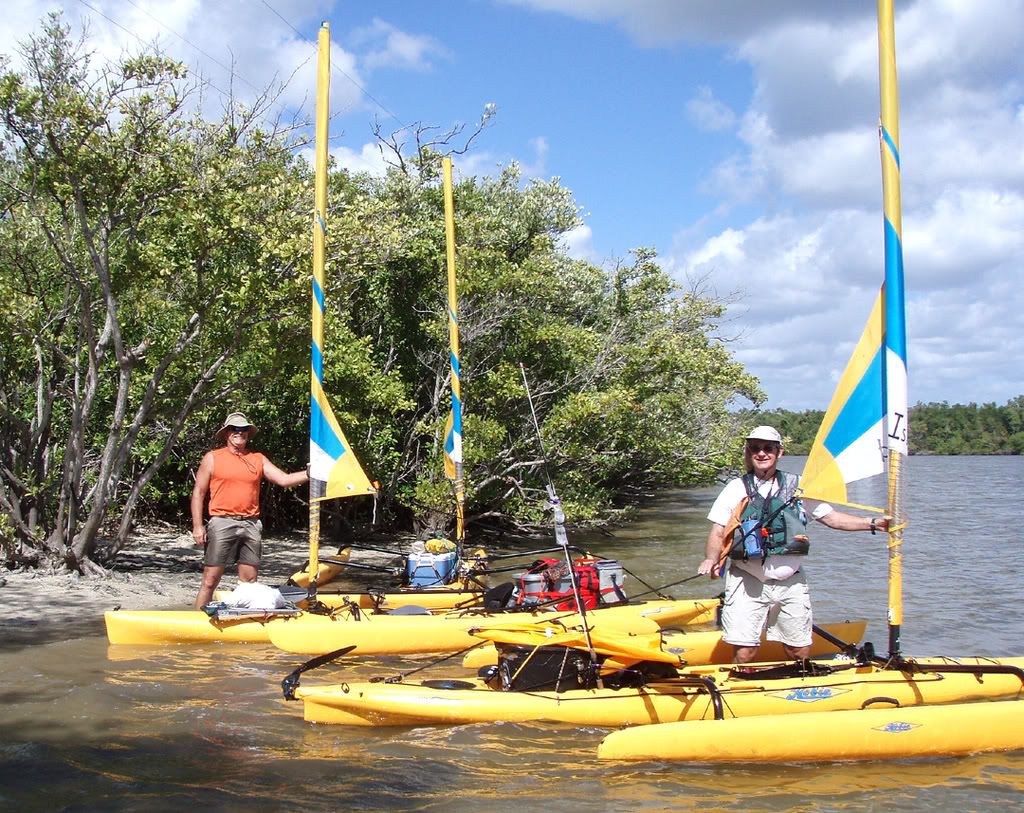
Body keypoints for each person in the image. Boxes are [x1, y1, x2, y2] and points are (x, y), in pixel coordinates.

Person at [697, 426, 890, 663]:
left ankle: (799, 687)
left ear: (780, 452)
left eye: (768, 448)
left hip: (791, 581)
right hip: (747, 579)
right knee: (744, 652)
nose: (761, 453)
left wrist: (874, 523)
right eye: (755, 448)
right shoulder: (736, 488)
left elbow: (833, 519)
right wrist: (710, 559)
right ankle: (741, 688)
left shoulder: (799, 487)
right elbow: (718, 531)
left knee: (798, 650)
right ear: (749, 452)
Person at [191, 411, 308, 609]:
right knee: (210, 581)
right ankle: (197, 622)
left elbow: (284, 480)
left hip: (251, 524)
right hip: (222, 521)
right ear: (227, 433)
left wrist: (309, 473)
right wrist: (197, 526)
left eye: (244, 429)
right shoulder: (212, 458)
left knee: (249, 583)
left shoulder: (258, 458)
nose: (240, 433)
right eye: (235, 429)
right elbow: (198, 493)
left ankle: (245, 620)